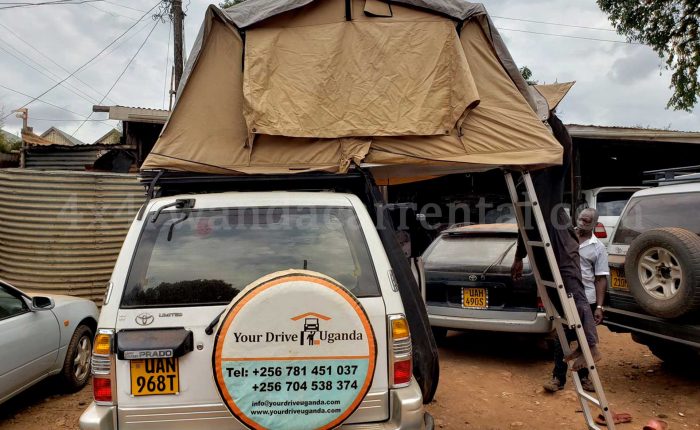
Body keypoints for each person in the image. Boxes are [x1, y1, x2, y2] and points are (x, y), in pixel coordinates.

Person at [510, 112, 601, 373]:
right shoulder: (522, 180)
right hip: (540, 243)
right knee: (556, 297)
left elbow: (566, 144)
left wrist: (549, 116)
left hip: (559, 239)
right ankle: (581, 344)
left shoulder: (551, 169)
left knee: (573, 288)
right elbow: (523, 222)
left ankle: (591, 346)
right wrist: (519, 256)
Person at [544, 208, 609, 392]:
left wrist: (599, 306)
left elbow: (601, 278)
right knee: (561, 338)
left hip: (586, 298)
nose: (582, 223)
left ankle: (584, 379)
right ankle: (558, 379)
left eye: (587, 221)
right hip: (566, 296)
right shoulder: (566, 237)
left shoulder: (598, 247)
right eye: (581, 219)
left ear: (595, 225)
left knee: (584, 341)